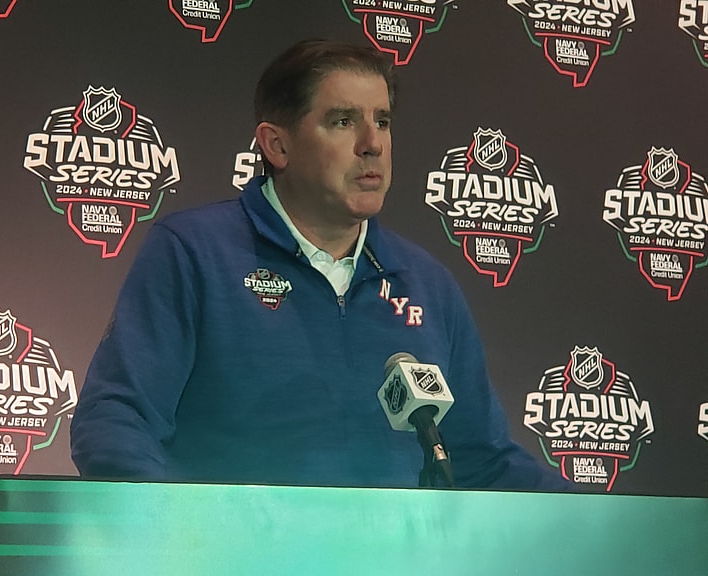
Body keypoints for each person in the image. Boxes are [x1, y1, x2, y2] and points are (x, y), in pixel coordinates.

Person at [70, 39, 568, 491]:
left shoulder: (427, 284)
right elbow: (116, 420)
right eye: (343, 121)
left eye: (383, 121)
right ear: (277, 145)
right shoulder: (194, 251)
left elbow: (483, 462)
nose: (373, 143)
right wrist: (184, 538)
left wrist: (604, 524)